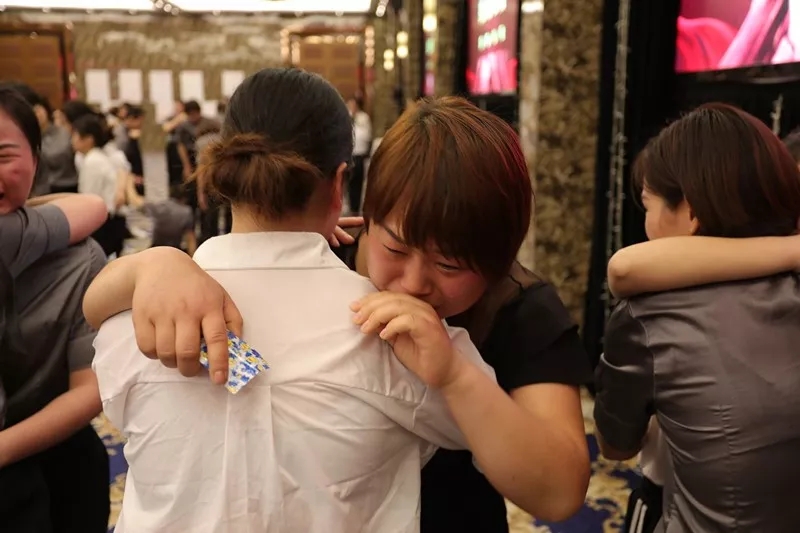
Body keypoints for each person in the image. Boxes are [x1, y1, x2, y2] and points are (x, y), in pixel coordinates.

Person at [84, 95, 592, 532]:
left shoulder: (521, 308)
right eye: (395, 246)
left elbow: (558, 493)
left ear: (500, 259)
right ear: (365, 208)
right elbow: (93, 310)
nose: (414, 282)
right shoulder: (330, 265)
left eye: (450, 265)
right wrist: (154, 264)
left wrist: (457, 377)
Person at [594, 103, 800, 533]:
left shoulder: (650, 313)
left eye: (648, 205)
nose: (646, 222)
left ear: (690, 213)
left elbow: (615, 445)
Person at [0, 85, 109, 533]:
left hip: (58, 453)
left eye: (3, 156)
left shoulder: (80, 259)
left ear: (36, 159)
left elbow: (90, 389)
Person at [71, 113, 126, 257]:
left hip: (104, 223)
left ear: (88, 139)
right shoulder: (92, 157)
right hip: (107, 218)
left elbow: (89, 198)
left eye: (75, 136)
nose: (72, 140)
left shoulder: (93, 162)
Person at [346, 96, 372, 214]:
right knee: (349, 182)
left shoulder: (363, 118)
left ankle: (357, 208)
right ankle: (351, 206)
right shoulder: (346, 117)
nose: (352, 107)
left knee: (359, 181)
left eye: (353, 105)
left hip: (360, 155)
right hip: (349, 155)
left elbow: (366, 135)